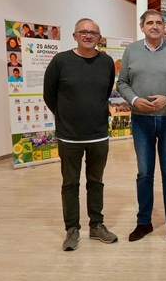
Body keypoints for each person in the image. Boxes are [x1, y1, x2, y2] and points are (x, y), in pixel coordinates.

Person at [117, 9, 166, 242]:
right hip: (141, 120)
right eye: (150, 22)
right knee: (144, 172)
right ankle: (144, 222)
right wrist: (134, 100)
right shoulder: (131, 51)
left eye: (159, 23)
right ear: (142, 27)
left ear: (164, 27)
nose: (155, 26)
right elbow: (122, 83)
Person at [43, 18, 117, 251]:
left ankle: (96, 225)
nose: (88, 35)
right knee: (70, 183)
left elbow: (105, 92)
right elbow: (49, 94)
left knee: (96, 182)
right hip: (69, 136)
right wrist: (66, 117)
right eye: (83, 32)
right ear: (74, 36)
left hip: (98, 135)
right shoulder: (61, 61)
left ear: (99, 37)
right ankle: (72, 229)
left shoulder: (106, 62)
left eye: (93, 32)